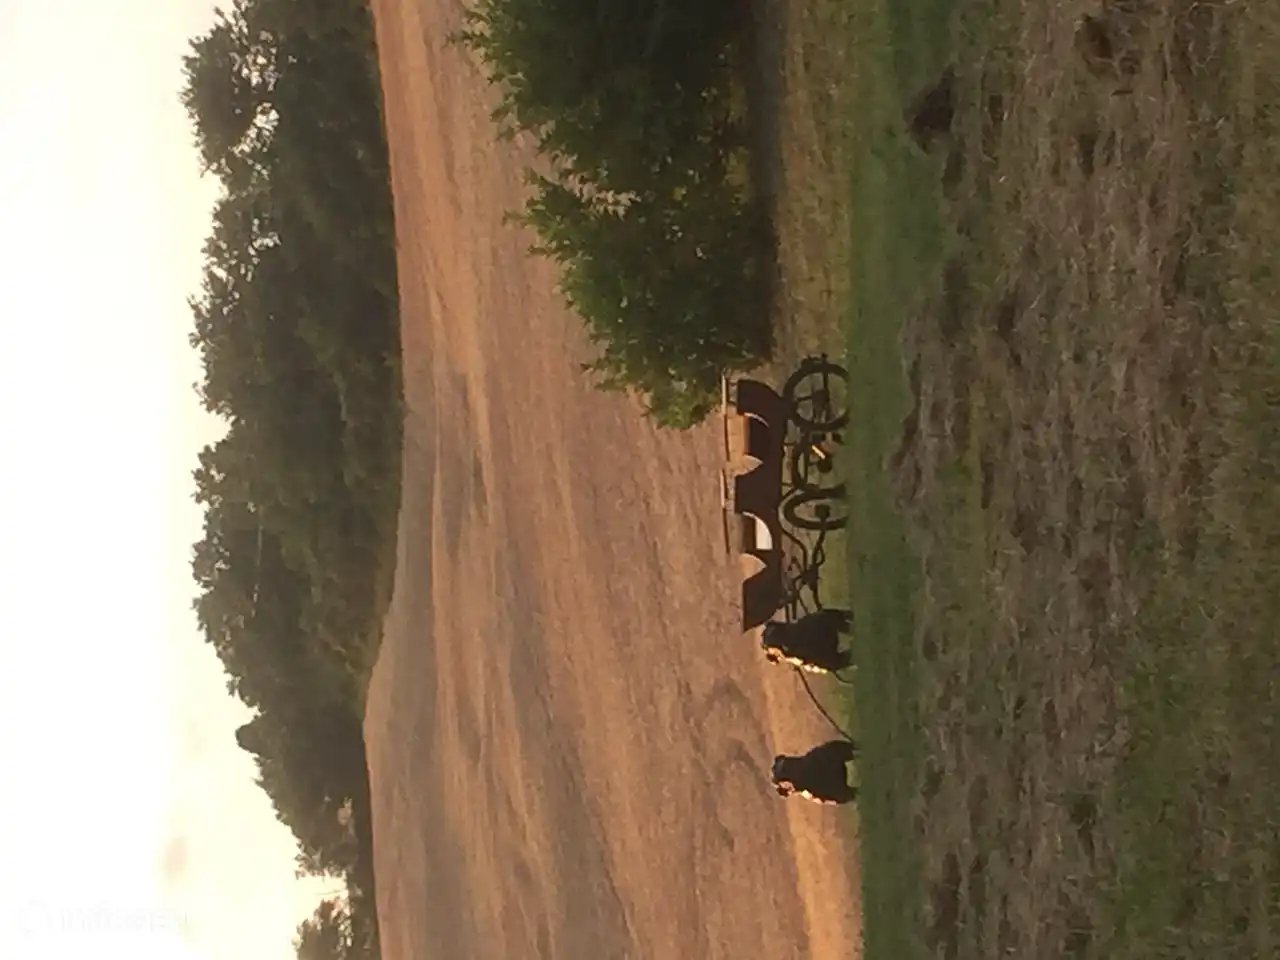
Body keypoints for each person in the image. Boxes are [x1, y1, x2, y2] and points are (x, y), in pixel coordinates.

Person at [760, 608, 853, 674]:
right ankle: (852, 624)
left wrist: (808, 667)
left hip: (822, 650)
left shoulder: (780, 650)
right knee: (830, 617)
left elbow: (801, 660)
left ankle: (855, 656)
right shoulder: (774, 628)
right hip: (821, 624)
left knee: (832, 663)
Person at [771, 739, 859, 805]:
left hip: (825, 777)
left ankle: (858, 751)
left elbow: (825, 799)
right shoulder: (807, 790)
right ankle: (858, 751)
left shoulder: (807, 791)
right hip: (824, 770)